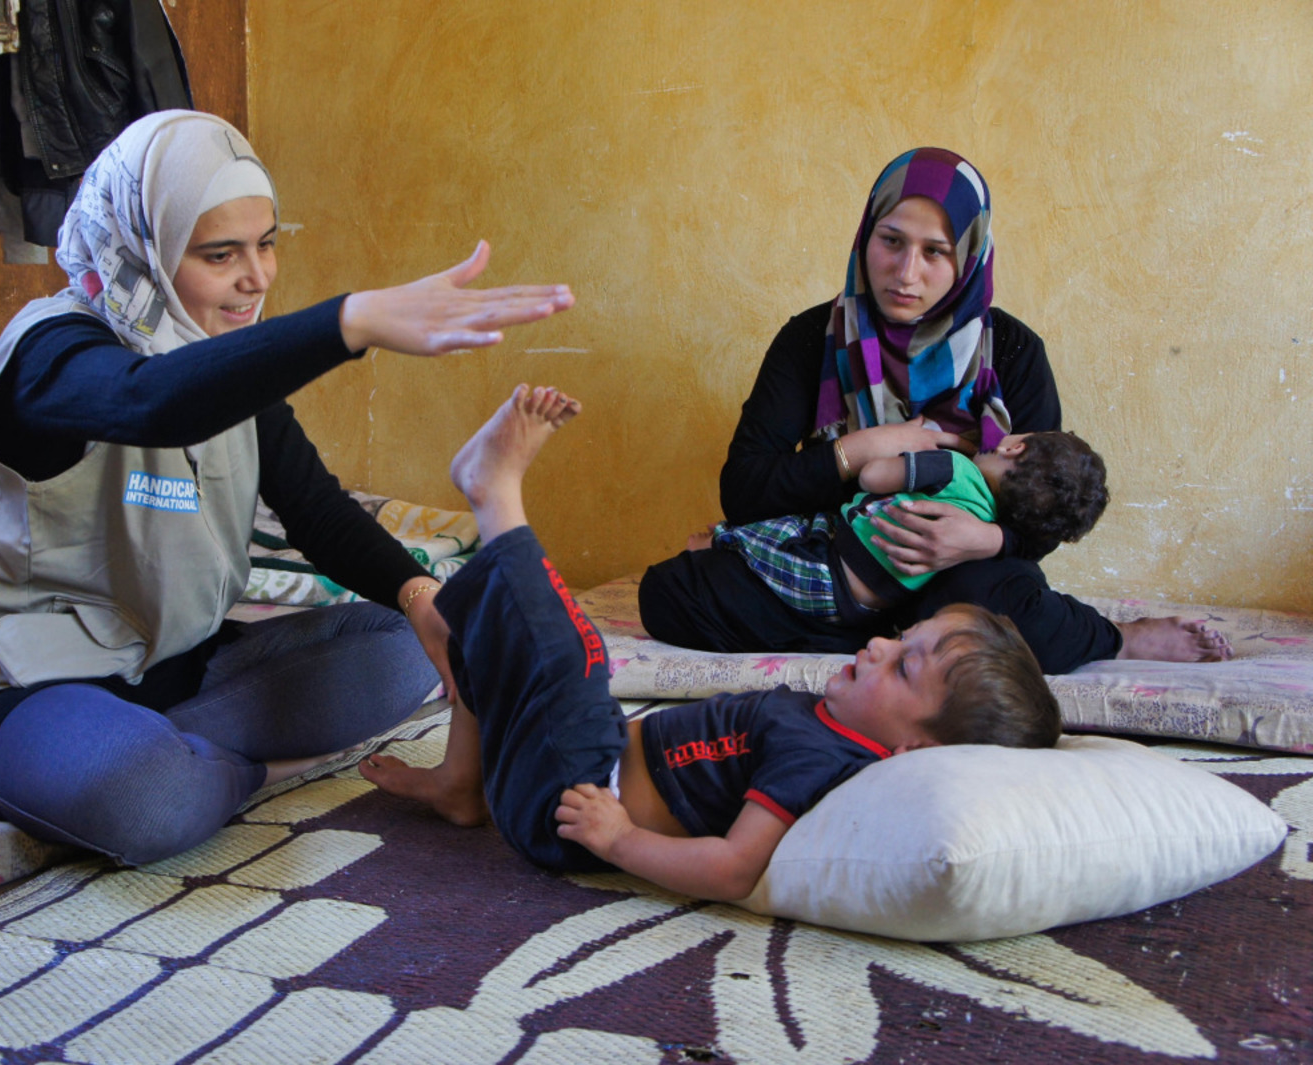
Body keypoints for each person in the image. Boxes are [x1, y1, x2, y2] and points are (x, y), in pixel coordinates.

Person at [0, 111, 574, 866]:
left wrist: (422, 599)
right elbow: (149, 400)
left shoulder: (214, 355)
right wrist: (350, 322)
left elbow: (316, 508)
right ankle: (208, 769)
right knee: (146, 798)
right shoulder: (49, 354)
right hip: (12, 688)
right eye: (221, 254)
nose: (257, 277)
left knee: (402, 650)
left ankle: (169, 752)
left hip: (170, 670)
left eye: (267, 243)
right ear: (145, 243)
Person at [360, 385, 1060, 900]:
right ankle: (460, 782)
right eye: (901, 637)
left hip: (572, 804)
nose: (877, 646)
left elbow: (733, 867)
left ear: (916, 751)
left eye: (905, 664)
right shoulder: (833, 721)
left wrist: (618, 840)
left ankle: (496, 494)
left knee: (575, 653)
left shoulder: (825, 755)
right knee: (498, 643)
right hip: (580, 763)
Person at [639, 147, 1231, 673]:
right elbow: (744, 489)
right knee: (669, 596)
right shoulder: (809, 340)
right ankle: (916, 646)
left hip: (956, 576)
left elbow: (1045, 508)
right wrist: (860, 450)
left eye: (935, 252)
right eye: (891, 240)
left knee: (992, 601)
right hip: (830, 564)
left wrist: (982, 541)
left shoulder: (1016, 353)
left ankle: (1115, 639)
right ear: (866, 234)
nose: (905, 273)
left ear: (970, 256)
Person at [694, 430, 1107, 634]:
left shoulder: (953, 468)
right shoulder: (984, 516)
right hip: (864, 610)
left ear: (1014, 448)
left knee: (775, 541)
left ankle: (719, 541)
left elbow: (873, 476)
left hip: (826, 565)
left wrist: (912, 444)